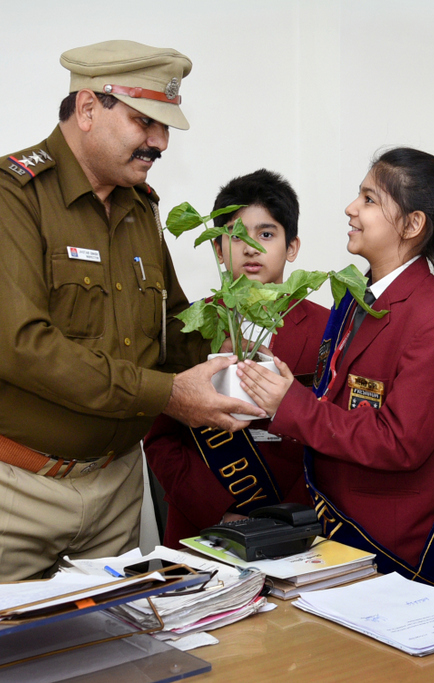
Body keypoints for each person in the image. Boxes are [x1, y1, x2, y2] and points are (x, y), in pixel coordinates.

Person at [0, 40, 262, 593]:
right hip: (1, 486)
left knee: (113, 658)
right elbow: (20, 347)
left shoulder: (138, 207)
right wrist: (169, 396)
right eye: (145, 121)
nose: (160, 142)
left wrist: (247, 362)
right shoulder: (5, 196)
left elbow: (174, 326)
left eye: (167, 127)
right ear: (87, 108)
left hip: (113, 487)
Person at [237, 147, 434, 606]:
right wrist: (280, 390)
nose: (350, 209)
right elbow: (339, 403)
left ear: (412, 224)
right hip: (344, 531)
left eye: (368, 199)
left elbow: (400, 441)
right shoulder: (356, 298)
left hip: (408, 548)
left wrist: (292, 405)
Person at [144, 169, 329, 548]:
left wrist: (288, 514)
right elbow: (161, 438)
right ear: (217, 248)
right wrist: (218, 510)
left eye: (266, 234)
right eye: (235, 235)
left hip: (297, 521)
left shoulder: (329, 329)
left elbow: (332, 433)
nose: (250, 248)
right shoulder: (187, 327)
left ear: (292, 247)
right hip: (202, 525)